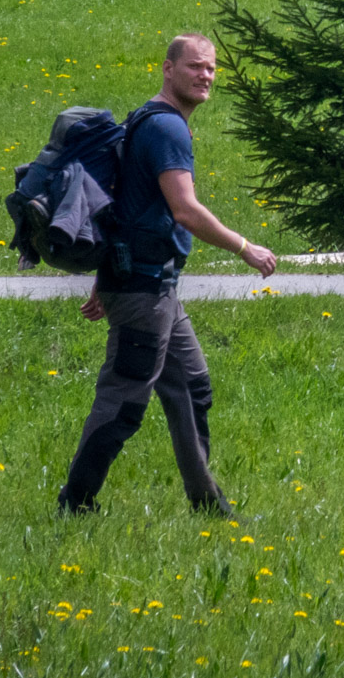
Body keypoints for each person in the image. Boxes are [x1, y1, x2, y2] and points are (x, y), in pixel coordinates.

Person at [57, 32, 276, 515]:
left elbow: (127, 207)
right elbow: (185, 210)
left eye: (211, 69)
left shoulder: (149, 120)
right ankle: (75, 502)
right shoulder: (167, 128)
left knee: (192, 387)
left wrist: (105, 277)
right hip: (144, 290)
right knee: (123, 401)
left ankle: (208, 504)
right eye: (195, 66)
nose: (205, 76)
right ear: (168, 68)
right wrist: (244, 247)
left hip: (151, 285)